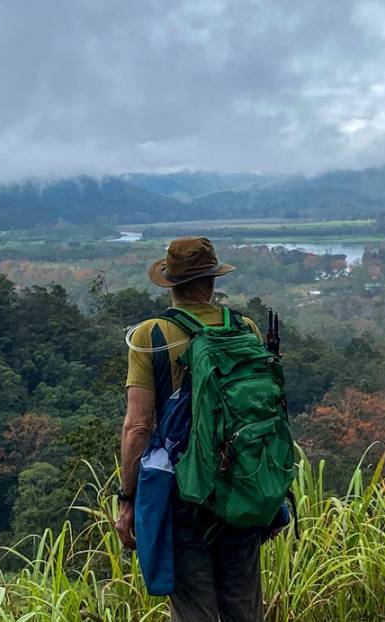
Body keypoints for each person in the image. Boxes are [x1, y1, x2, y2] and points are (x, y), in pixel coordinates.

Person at [117, 236, 265, 622]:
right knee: (244, 608)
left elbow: (138, 425)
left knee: (194, 609)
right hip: (241, 488)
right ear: (212, 281)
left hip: (182, 492)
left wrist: (127, 498)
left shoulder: (151, 335)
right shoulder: (244, 328)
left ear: (171, 283)